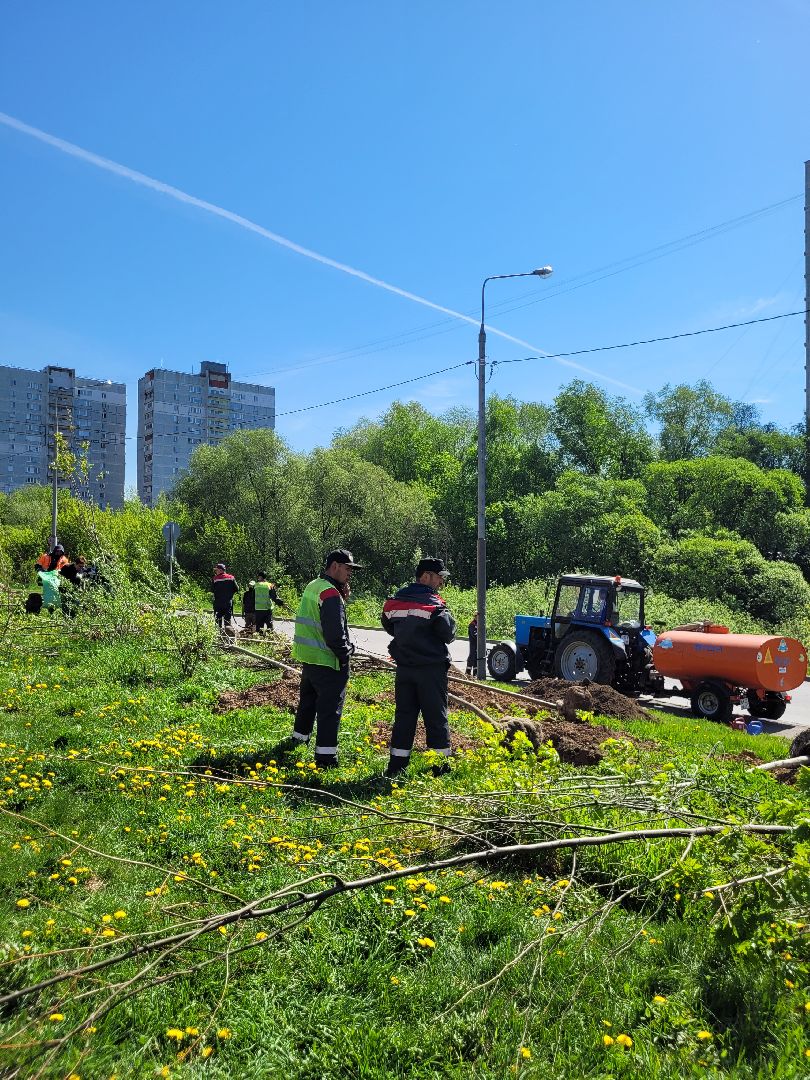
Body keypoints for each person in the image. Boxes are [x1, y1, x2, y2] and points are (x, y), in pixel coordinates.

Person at [381, 557, 457, 778]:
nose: (441, 583)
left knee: (404, 716)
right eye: (439, 577)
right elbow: (448, 633)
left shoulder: (395, 600)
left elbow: (389, 625)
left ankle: (396, 767)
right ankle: (440, 768)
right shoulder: (434, 604)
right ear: (426, 576)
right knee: (436, 718)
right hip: (430, 670)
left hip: (404, 668)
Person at [287, 549, 360, 768]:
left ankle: (299, 740)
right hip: (328, 661)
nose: (350, 574)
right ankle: (326, 758)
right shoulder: (330, 594)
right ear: (335, 566)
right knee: (330, 711)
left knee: (307, 704)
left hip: (309, 659)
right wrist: (346, 654)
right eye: (347, 569)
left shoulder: (314, 585)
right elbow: (335, 636)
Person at [211, 563, 239, 629]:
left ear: (220, 570)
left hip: (218, 603)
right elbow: (237, 589)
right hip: (228, 602)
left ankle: (218, 635)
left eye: (217, 570)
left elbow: (212, 590)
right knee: (227, 620)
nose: (216, 571)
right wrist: (230, 593)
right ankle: (228, 634)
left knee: (218, 620)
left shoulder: (215, 579)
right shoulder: (231, 578)